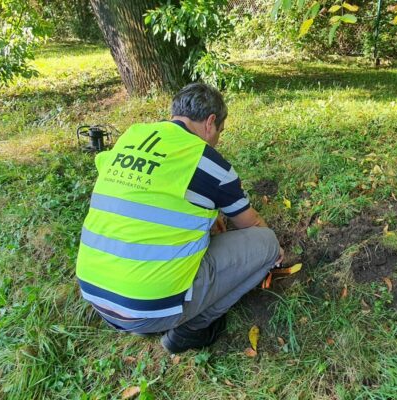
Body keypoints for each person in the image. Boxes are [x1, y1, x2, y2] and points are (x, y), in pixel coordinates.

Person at [75, 83, 283, 353]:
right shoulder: (207, 162)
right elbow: (250, 224)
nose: (218, 138)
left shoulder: (131, 136)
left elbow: (146, 199)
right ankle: (191, 329)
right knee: (265, 243)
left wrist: (207, 219)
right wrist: (276, 253)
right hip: (146, 306)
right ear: (210, 123)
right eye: (220, 130)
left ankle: (147, 317)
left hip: (96, 294)